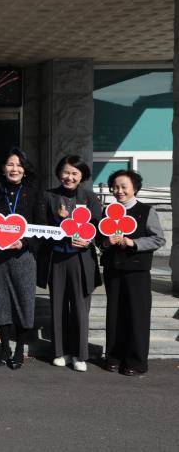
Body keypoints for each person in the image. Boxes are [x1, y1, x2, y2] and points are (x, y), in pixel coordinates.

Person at [37, 154, 102, 372]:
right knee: (58, 306)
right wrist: (60, 221)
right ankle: (59, 351)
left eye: (75, 173)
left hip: (81, 258)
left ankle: (80, 354)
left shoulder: (90, 197)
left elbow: (98, 227)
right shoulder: (48, 196)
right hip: (56, 257)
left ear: (82, 175)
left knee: (81, 308)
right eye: (66, 172)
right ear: (59, 173)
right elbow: (41, 227)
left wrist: (89, 239)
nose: (70, 177)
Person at [99, 170, 165, 376]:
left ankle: (136, 361)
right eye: (115, 187)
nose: (119, 191)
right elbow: (100, 241)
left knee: (137, 316)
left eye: (123, 187)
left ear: (135, 188)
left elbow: (158, 239)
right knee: (115, 315)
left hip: (137, 271)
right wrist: (106, 242)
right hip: (113, 270)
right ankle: (114, 357)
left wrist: (133, 243)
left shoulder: (146, 211)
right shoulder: (107, 211)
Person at [0, 148, 41, 369]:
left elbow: (41, 226)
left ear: (25, 170)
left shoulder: (34, 192)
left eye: (19, 165)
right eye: (10, 164)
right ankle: (4, 347)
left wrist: (24, 243)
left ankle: (19, 350)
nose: (14, 169)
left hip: (23, 257)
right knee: (0, 303)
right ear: (2, 168)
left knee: (24, 303)